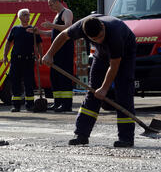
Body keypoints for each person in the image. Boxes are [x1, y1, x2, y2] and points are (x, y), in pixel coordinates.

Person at [42, 15, 137, 148]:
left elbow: (114, 65)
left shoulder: (115, 33)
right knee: (92, 92)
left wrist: (104, 88)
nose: (99, 40)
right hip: (101, 55)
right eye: (94, 39)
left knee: (123, 92)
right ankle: (81, 135)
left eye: (100, 36)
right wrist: (49, 54)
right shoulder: (81, 27)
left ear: (103, 27)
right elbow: (63, 35)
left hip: (125, 54)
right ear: (86, 34)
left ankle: (126, 138)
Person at [30, 0, 74, 112]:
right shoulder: (57, 15)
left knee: (64, 76)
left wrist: (52, 25)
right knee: (55, 77)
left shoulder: (67, 12)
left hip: (65, 49)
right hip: (57, 50)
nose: (50, 7)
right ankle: (58, 102)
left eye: (51, 4)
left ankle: (66, 104)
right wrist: (40, 32)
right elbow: (54, 32)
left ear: (57, 2)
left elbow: (68, 27)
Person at [3, 9, 43, 112]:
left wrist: (40, 56)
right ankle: (16, 106)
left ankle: (30, 105)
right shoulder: (15, 29)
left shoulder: (33, 29)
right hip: (16, 60)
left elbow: (38, 44)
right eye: (25, 15)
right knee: (15, 82)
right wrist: (5, 55)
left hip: (28, 59)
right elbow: (8, 43)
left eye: (28, 15)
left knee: (29, 82)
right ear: (20, 17)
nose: (27, 17)